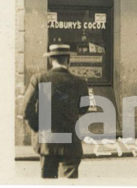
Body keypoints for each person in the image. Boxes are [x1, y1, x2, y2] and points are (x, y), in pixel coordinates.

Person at [22, 44, 90, 178]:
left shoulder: (40, 79)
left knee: (48, 180)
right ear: (68, 60)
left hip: (47, 140)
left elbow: (26, 110)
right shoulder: (79, 82)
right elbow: (83, 108)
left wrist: (38, 126)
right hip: (70, 140)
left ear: (50, 60)